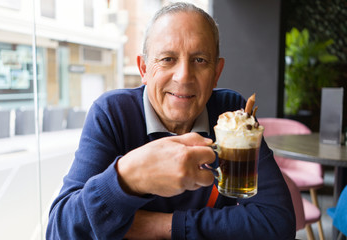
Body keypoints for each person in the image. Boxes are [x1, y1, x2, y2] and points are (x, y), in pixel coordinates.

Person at [47, 2, 295, 239]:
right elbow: (60, 231)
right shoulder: (113, 114)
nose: (184, 75)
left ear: (216, 73)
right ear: (144, 69)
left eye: (200, 60)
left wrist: (159, 226)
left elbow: (277, 222)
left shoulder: (231, 115)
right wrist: (129, 177)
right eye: (167, 59)